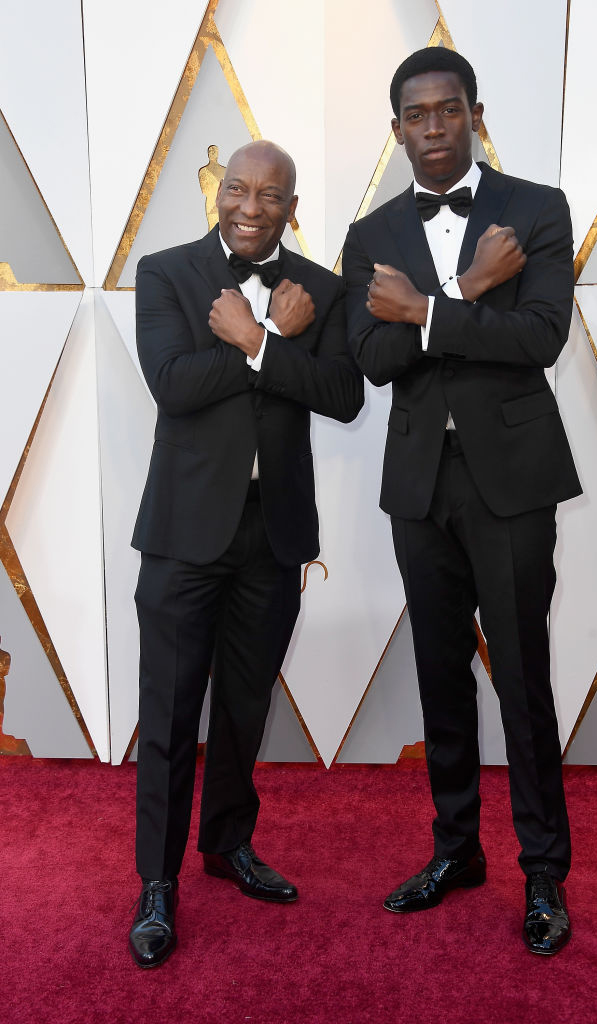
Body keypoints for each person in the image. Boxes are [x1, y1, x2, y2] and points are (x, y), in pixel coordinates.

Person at [342, 47, 581, 955]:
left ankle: (544, 875)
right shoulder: (370, 236)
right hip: (418, 483)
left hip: (513, 481)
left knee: (520, 676)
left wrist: (429, 313)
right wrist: (468, 294)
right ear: (395, 127)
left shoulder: (535, 209)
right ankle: (456, 851)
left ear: (474, 114)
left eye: (449, 110)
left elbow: (540, 338)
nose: (433, 128)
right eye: (416, 114)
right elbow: (371, 360)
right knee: (439, 675)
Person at [129, 139, 364, 968]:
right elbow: (172, 382)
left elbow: (341, 397)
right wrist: (265, 338)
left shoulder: (321, 291)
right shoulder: (165, 272)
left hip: (274, 531)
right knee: (166, 715)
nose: (250, 206)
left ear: (291, 208)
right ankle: (155, 883)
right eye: (237, 188)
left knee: (242, 705)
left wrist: (257, 340)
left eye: (270, 195)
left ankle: (227, 844)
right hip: (185, 533)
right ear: (217, 194)